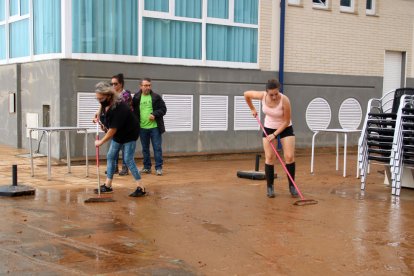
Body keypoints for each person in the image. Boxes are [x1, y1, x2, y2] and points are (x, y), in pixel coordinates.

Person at [244, 79, 298, 198]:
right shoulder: (262, 96)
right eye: (271, 94)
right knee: (269, 157)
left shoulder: (285, 100)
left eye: (276, 94)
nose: (274, 97)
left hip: (285, 127)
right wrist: (252, 108)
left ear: (279, 91)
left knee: (289, 156)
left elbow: (286, 121)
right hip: (268, 127)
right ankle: (270, 187)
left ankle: (292, 186)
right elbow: (246, 94)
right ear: (266, 92)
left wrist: (274, 135)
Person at [94, 81, 146, 197]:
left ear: (108, 96)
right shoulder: (104, 103)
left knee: (128, 159)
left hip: (129, 134)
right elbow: (101, 107)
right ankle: (108, 186)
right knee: (111, 156)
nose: (99, 101)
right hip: (119, 133)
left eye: (100, 98)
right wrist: (97, 114)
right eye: (97, 98)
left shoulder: (119, 108)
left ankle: (141, 187)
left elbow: (112, 130)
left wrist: (100, 142)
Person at [132, 78, 167, 176]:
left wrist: (155, 114)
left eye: (149, 85)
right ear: (141, 86)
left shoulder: (156, 97)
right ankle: (147, 167)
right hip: (142, 128)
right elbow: (134, 112)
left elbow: (163, 109)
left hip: (155, 127)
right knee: (145, 149)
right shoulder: (136, 97)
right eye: (145, 85)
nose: (148, 87)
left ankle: (158, 168)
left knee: (157, 148)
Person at [110, 73, 133, 176]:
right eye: (112, 84)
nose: (113, 86)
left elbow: (127, 111)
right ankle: (114, 167)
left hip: (124, 126)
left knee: (124, 148)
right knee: (114, 148)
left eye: (115, 84)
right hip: (114, 125)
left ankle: (124, 168)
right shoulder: (111, 95)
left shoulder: (126, 95)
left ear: (121, 84)